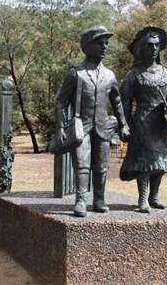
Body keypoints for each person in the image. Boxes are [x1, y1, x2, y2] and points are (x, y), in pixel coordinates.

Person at [55, 25, 130, 217]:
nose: (104, 46)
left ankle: (99, 199)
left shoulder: (110, 75)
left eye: (106, 43)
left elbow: (117, 102)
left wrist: (123, 124)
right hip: (83, 127)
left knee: (102, 166)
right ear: (87, 46)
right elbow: (61, 102)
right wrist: (61, 127)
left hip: (103, 126)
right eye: (99, 43)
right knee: (81, 164)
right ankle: (81, 201)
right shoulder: (76, 73)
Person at [120, 26, 167, 213]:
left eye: (157, 45)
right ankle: (142, 200)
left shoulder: (165, 73)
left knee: (161, 163)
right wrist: (124, 125)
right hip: (141, 123)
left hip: (159, 124)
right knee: (146, 163)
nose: (154, 48)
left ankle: (154, 197)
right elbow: (124, 102)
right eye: (150, 45)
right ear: (142, 48)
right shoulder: (134, 74)